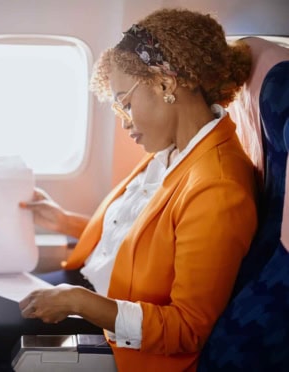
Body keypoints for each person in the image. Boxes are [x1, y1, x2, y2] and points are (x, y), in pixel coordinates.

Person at [17, 7, 257, 372]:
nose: (125, 121)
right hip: (90, 289)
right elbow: (141, 245)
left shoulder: (217, 187)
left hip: (118, 331)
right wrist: (65, 222)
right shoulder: (174, 152)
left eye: (125, 103)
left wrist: (78, 302)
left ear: (165, 82)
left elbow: (187, 328)